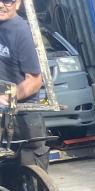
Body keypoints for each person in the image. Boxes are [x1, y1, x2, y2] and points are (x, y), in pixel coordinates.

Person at [0, 0, 46, 173]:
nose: (1, 5)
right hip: (3, 116)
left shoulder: (21, 31)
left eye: (8, 1)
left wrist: (6, 97)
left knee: (31, 180)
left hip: (24, 118)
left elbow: (34, 81)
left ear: (18, 3)